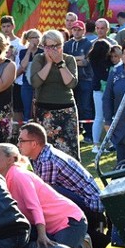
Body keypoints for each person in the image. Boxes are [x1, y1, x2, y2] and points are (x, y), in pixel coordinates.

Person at [0, 143, 101, 248]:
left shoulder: (18, 175)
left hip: (69, 222)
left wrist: (41, 235)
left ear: (11, 159)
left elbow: (34, 205)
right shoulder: (5, 179)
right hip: (49, 227)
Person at [17, 122, 108, 248]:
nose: (18, 145)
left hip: (90, 207)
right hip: (85, 202)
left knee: (49, 192)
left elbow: (43, 198)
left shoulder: (46, 160)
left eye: (21, 141)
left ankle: (96, 240)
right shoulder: (42, 155)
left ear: (34, 144)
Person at [30, 29, 80, 160]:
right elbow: (35, 82)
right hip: (44, 109)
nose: (52, 50)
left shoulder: (69, 59)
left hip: (66, 109)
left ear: (61, 46)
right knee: (44, 150)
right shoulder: (38, 59)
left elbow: (71, 83)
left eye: (56, 46)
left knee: (68, 150)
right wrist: (49, 63)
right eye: (48, 47)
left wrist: (60, 63)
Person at [65, 20, 94, 143]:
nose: (76, 32)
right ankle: (74, 133)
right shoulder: (66, 44)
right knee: (72, 106)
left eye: (79, 30)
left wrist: (72, 60)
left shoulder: (88, 44)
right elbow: (63, 60)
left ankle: (89, 134)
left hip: (85, 78)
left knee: (86, 106)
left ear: (84, 31)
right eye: (74, 29)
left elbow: (86, 61)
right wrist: (77, 60)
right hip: (69, 79)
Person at [87, 35, 113, 153]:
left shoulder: (93, 60)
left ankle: (98, 144)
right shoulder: (103, 62)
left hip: (97, 90)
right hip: (101, 89)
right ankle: (98, 144)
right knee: (101, 117)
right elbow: (103, 75)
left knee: (99, 117)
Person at [17, 29, 43, 122]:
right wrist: (29, 51)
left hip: (40, 83)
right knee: (27, 108)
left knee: (39, 108)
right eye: (34, 37)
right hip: (27, 83)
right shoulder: (23, 52)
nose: (36, 39)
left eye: (38, 37)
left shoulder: (42, 51)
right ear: (28, 39)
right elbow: (23, 65)